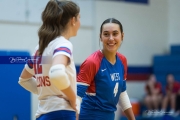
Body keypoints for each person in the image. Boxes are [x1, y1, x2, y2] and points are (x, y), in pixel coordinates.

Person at [18, 0, 80, 120]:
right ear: (73, 20)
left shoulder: (39, 49)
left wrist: (48, 93)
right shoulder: (63, 44)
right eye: (79, 17)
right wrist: (73, 99)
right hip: (62, 113)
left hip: (43, 114)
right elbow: (57, 73)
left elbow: (23, 79)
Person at [76, 18, 135, 120]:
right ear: (100, 37)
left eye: (115, 33)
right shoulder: (92, 62)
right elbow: (76, 98)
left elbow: (121, 93)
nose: (111, 38)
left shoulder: (122, 60)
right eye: (106, 34)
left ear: (122, 36)